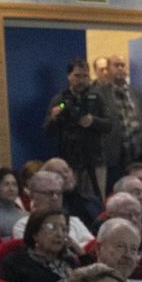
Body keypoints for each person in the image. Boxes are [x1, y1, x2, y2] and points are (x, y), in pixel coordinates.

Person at [45, 59, 112, 201]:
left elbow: (109, 125)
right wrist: (54, 117)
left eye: (84, 76)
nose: (81, 80)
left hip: (95, 158)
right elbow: (47, 130)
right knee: (70, 198)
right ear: (69, 76)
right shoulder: (62, 100)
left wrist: (93, 121)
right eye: (77, 76)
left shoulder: (97, 97)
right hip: (69, 159)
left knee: (96, 199)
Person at [0, 210, 71, 282]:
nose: (59, 234)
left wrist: (80, 252)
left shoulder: (69, 261)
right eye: (51, 227)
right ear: (35, 234)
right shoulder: (15, 263)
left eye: (64, 229)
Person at [97, 53, 142, 189]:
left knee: (139, 191)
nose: (120, 68)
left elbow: (141, 122)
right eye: (116, 65)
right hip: (114, 157)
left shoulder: (135, 94)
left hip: (137, 156)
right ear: (108, 69)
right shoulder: (99, 94)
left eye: (123, 65)